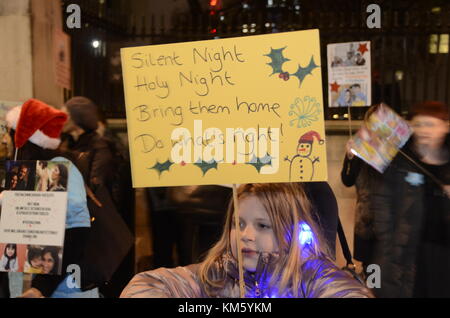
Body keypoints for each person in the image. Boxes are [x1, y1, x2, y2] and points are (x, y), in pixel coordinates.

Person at [122, 183, 373, 298]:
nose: (246, 235)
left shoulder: (312, 275)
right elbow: (144, 284)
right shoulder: (217, 275)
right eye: (238, 224)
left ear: (290, 231)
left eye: (262, 226)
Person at [3, 98, 98, 298]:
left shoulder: (57, 168)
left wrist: (42, 287)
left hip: (59, 288)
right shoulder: (22, 173)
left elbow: (77, 231)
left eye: (8, 130)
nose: (4, 138)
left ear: (23, 137)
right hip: (24, 286)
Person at [370, 101, 450, 298]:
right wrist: (390, 247)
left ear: (446, 126)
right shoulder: (399, 161)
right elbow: (381, 205)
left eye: (431, 124)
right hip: (407, 254)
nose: (424, 130)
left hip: (444, 254)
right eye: (418, 124)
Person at [341, 105, 381, 272]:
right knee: (372, 270)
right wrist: (350, 157)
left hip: (391, 223)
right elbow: (347, 180)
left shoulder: (398, 152)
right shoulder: (360, 148)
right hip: (367, 222)